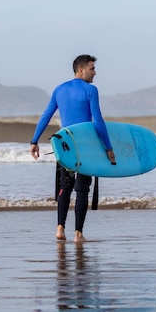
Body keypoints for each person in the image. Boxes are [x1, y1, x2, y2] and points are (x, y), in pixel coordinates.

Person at [30, 54, 116, 242]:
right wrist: (108, 147)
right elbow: (98, 120)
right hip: (84, 145)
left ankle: (60, 229)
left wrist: (34, 141)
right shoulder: (91, 90)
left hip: (65, 144)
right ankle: (78, 234)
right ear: (81, 70)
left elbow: (46, 116)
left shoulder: (59, 89)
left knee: (65, 186)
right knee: (82, 189)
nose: (95, 72)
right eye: (92, 69)